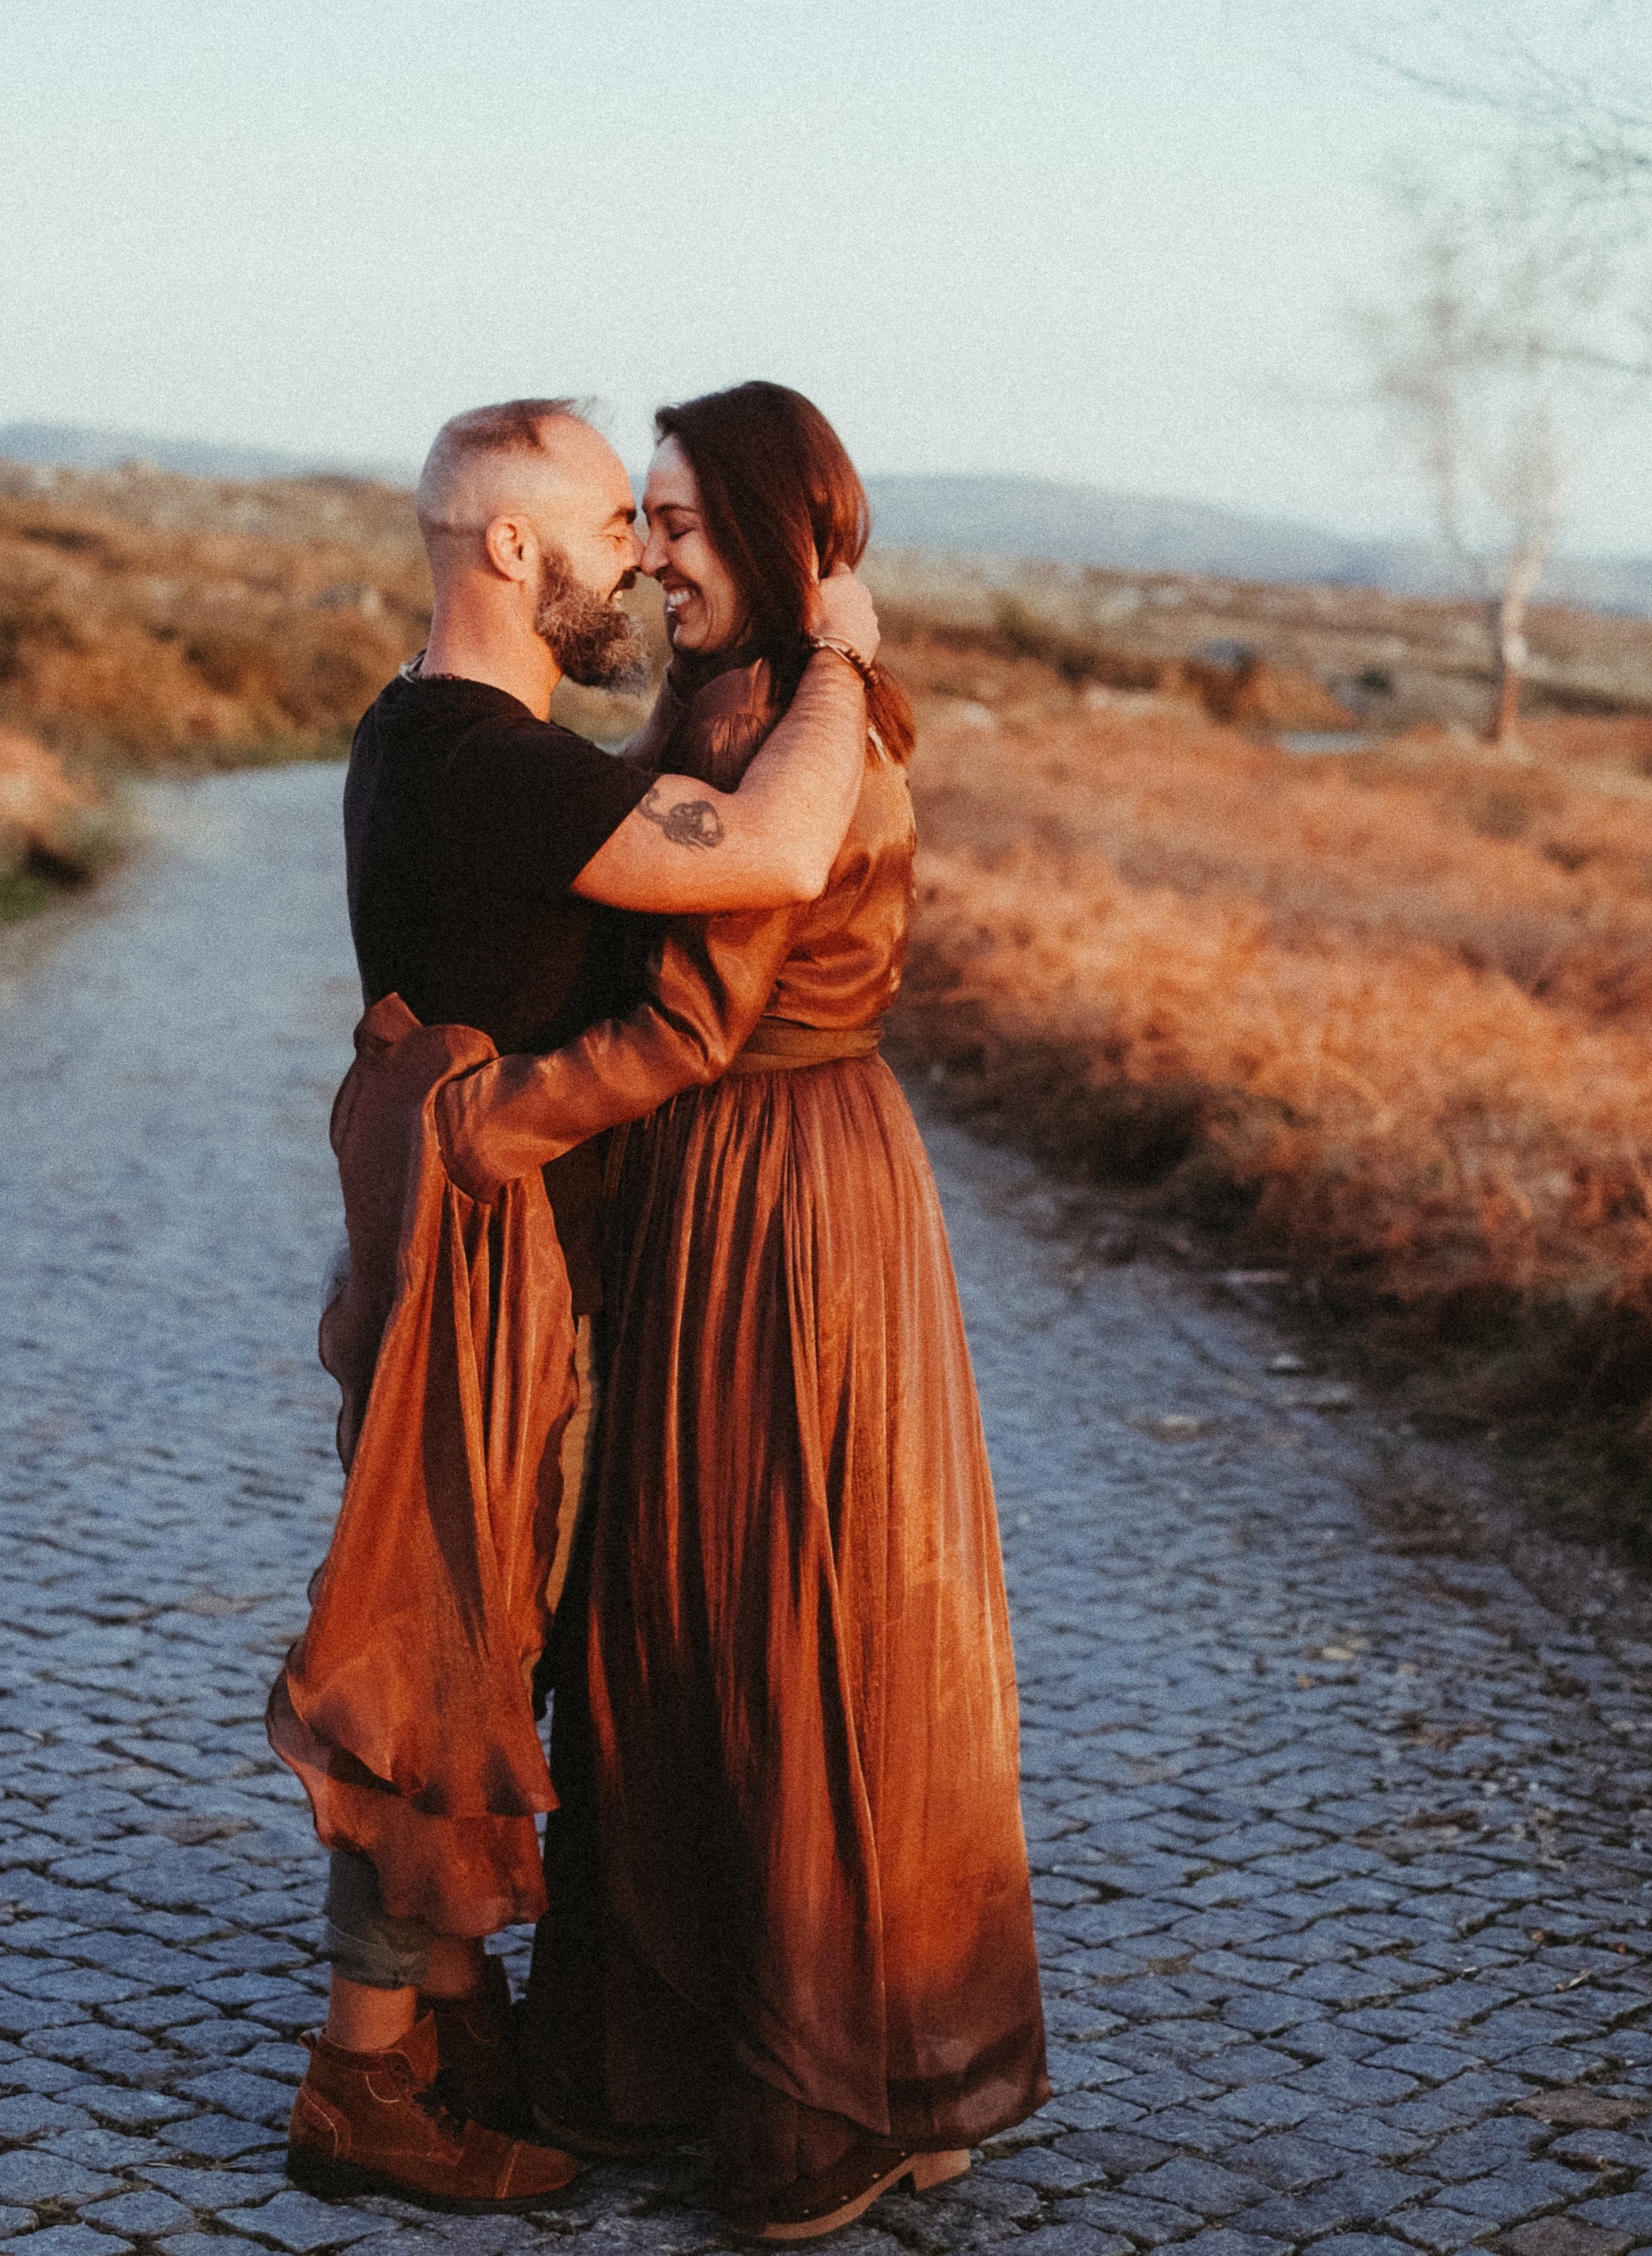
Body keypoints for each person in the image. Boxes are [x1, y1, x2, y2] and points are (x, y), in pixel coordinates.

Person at [440, 383, 1049, 2243]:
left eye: (684, 521)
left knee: (746, 1604)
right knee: (807, 1600)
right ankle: (858, 2061)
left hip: (763, 1192)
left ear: (779, 539)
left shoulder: (765, 716)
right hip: (817, 1170)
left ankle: (800, 2080)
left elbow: (694, 1019)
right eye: (641, 515)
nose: (652, 552)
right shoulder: (797, 704)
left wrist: (490, 1127)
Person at [270, 396, 883, 2211]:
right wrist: (839, 664)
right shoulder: (487, 764)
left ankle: (444, 2030)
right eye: (613, 519)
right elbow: (768, 858)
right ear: (510, 548)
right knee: (440, 1643)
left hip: (451, 1250)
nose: (635, 551)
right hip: (482, 1271)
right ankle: (361, 2086)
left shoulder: (434, 732)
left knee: (465, 1620)